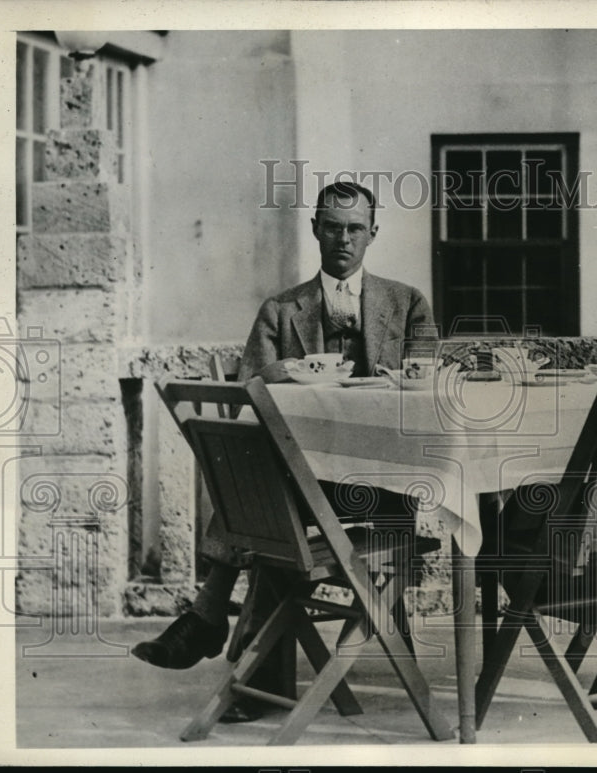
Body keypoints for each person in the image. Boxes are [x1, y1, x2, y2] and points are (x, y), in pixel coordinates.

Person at [132, 182, 436, 717]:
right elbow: (248, 391)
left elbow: (427, 384)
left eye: (355, 228)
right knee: (272, 506)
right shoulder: (280, 309)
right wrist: (282, 372)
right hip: (305, 480)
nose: (344, 238)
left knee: (266, 509)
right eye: (333, 226)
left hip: (382, 484)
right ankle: (237, 660)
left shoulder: (407, 302)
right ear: (315, 228)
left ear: (373, 234)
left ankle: (210, 624)